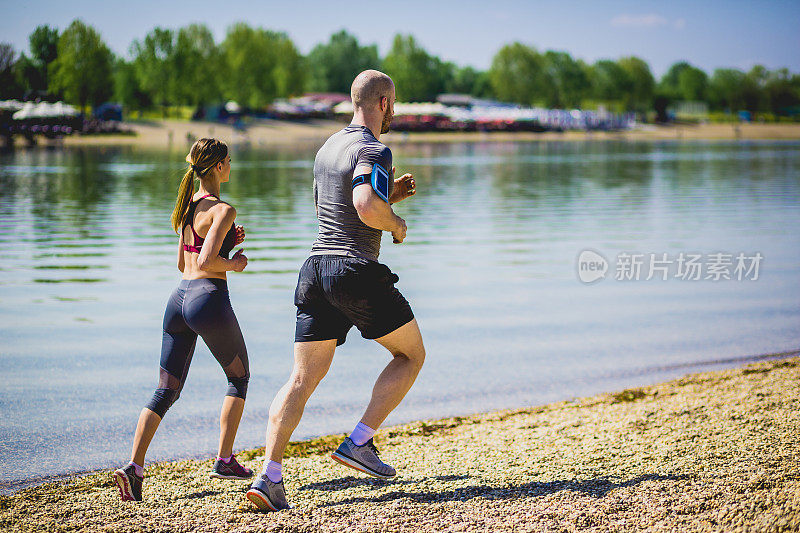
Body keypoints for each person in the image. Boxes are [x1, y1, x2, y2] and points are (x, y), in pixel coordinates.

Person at [246, 70, 424, 511]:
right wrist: (397, 224)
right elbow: (364, 207)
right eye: (394, 102)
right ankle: (359, 442)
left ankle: (269, 476)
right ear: (383, 103)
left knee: (301, 379)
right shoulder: (373, 148)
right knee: (411, 355)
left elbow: (338, 210)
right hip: (353, 271)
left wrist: (390, 199)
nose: (394, 110)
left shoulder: (328, 148)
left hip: (314, 270)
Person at [113, 138, 252, 502]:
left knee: (166, 390)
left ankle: (134, 467)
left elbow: (184, 262)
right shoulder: (223, 210)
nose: (231, 165)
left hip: (177, 301)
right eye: (229, 161)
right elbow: (207, 264)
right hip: (207, 301)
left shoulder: (188, 205)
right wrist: (234, 262)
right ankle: (224, 459)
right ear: (219, 166)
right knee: (239, 377)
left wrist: (222, 246)